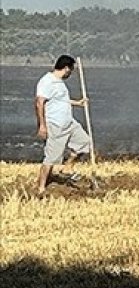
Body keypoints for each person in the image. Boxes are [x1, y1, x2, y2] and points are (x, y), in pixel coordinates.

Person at [34, 55, 90, 194]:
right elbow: (39, 102)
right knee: (51, 158)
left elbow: (60, 100)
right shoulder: (47, 81)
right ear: (66, 68)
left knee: (84, 143)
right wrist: (42, 125)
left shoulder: (59, 83)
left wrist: (77, 102)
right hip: (55, 125)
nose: (70, 73)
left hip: (69, 123)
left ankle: (67, 167)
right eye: (71, 70)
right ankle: (41, 188)